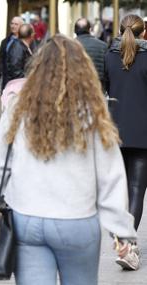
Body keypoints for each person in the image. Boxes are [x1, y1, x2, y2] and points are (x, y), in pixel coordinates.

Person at [0, 34, 139, 284]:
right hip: (77, 219)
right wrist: (121, 232)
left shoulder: (17, 108)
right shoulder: (92, 112)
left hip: (27, 217)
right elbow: (110, 176)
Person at [105, 15, 147, 239]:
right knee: (137, 190)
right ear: (144, 32)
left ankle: (120, 234)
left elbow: (106, 89)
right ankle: (126, 241)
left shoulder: (110, 56)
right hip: (143, 133)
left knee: (118, 189)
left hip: (115, 131)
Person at [75, 18, 107, 86]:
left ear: (75, 31)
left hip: (77, 87)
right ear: (90, 30)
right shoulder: (103, 46)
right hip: (98, 87)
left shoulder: (69, 45)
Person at [3, 24, 33, 90]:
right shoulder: (17, 47)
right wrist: (29, 78)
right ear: (31, 35)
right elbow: (15, 70)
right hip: (18, 87)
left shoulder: (23, 46)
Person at [0, 16, 24, 91]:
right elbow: (1, 58)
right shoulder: (5, 42)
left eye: (16, 24)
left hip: (20, 81)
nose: (13, 26)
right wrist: (0, 74)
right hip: (6, 79)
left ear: (21, 26)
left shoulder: (26, 41)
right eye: (12, 23)